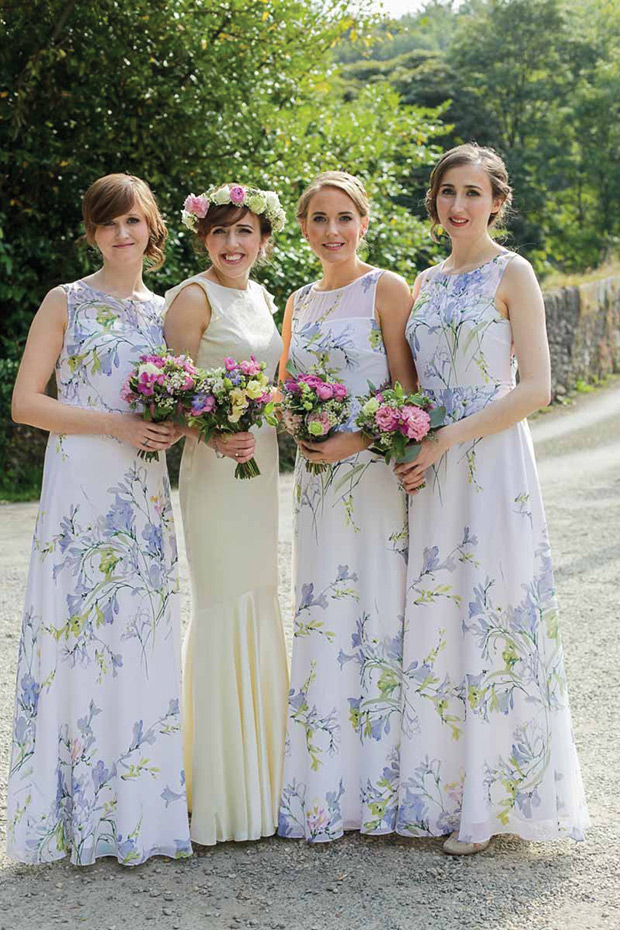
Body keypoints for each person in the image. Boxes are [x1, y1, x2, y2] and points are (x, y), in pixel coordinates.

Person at [394, 144, 590, 854]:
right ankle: (444, 792)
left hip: (493, 460)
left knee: (495, 612)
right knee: (442, 614)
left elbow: (535, 389)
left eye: (473, 192)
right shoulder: (424, 279)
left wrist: (449, 439)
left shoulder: (515, 273)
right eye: (448, 192)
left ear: (497, 201)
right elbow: (414, 386)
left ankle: (498, 798)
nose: (459, 206)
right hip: (435, 465)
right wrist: (410, 442)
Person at [6, 174, 191, 866]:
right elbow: (26, 403)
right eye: (107, 223)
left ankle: (138, 812)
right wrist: (114, 424)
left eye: (133, 221)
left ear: (152, 229)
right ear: (92, 232)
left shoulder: (167, 311)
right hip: (81, 487)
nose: (121, 234)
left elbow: (176, 398)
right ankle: (73, 816)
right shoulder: (66, 302)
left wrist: (175, 424)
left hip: (142, 491)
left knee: (137, 636)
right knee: (80, 636)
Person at [277, 171, 416, 843]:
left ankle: (383, 787)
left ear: (364, 221)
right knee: (323, 614)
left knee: (375, 613)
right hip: (315, 485)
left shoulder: (386, 289)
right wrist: (301, 431)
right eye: (318, 219)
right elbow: (282, 389)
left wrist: (353, 440)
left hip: (372, 478)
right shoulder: (297, 300)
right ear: (303, 228)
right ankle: (324, 786)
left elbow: (410, 395)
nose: (332, 231)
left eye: (344, 218)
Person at [164, 183, 288, 845]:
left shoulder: (261, 296)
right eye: (221, 233)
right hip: (217, 469)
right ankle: (218, 787)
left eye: (245, 232)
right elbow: (165, 392)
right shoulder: (192, 297)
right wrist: (211, 434)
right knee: (222, 600)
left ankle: (263, 775)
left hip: (260, 462)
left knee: (260, 593)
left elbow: (274, 381)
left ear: (264, 241)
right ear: (203, 238)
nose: (233, 244)